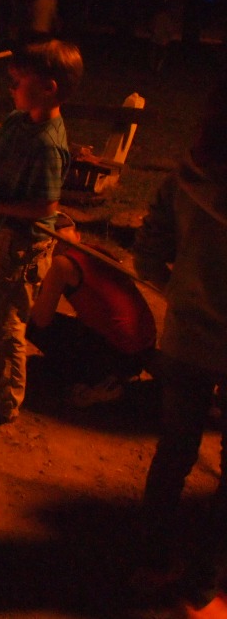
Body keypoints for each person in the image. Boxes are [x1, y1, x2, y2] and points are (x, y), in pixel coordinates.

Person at [130, 81, 227, 617]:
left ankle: (151, 561)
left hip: (186, 340)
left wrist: (183, 294)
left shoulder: (187, 179)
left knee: (173, 455)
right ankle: (202, 587)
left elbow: (147, 254)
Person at [0, 40, 83, 426]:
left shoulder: (48, 145)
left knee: (7, 322)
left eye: (18, 81)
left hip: (22, 245)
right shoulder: (16, 121)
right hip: (1, 237)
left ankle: (2, 401)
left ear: (49, 87)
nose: (11, 88)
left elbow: (45, 207)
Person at [25, 213, 157, 407]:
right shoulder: (97, 252)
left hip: (116, 356)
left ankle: (96, 381)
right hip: (143, 349)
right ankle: (111, 376)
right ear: (77, 236)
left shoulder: (62, 263)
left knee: (27, 320)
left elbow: (41, 319)